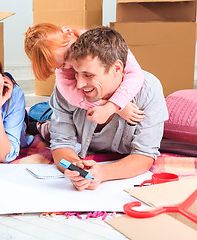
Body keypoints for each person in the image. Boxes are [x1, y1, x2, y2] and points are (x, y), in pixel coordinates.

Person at [49, 26, 169, 190]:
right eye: (76, 73)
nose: (79, 84)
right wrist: (75, 167)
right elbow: (60, 142)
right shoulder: (66, 87)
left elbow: (145, 154)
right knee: (41, 121)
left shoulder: (149, 89)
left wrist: (102, 173)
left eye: (88, 75)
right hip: (49, 118)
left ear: (117, 68)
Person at [24, 23, 145, 125]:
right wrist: (116, 108)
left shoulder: (101, 42)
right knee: (50, 116)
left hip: (96, 94)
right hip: (74, 103)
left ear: (68, 32)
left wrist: (115, 105)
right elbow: (75, 98)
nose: (70, 63)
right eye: (61, 65)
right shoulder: (63, 75)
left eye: (67, 54)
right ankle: (31, 112)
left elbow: (135, 74)